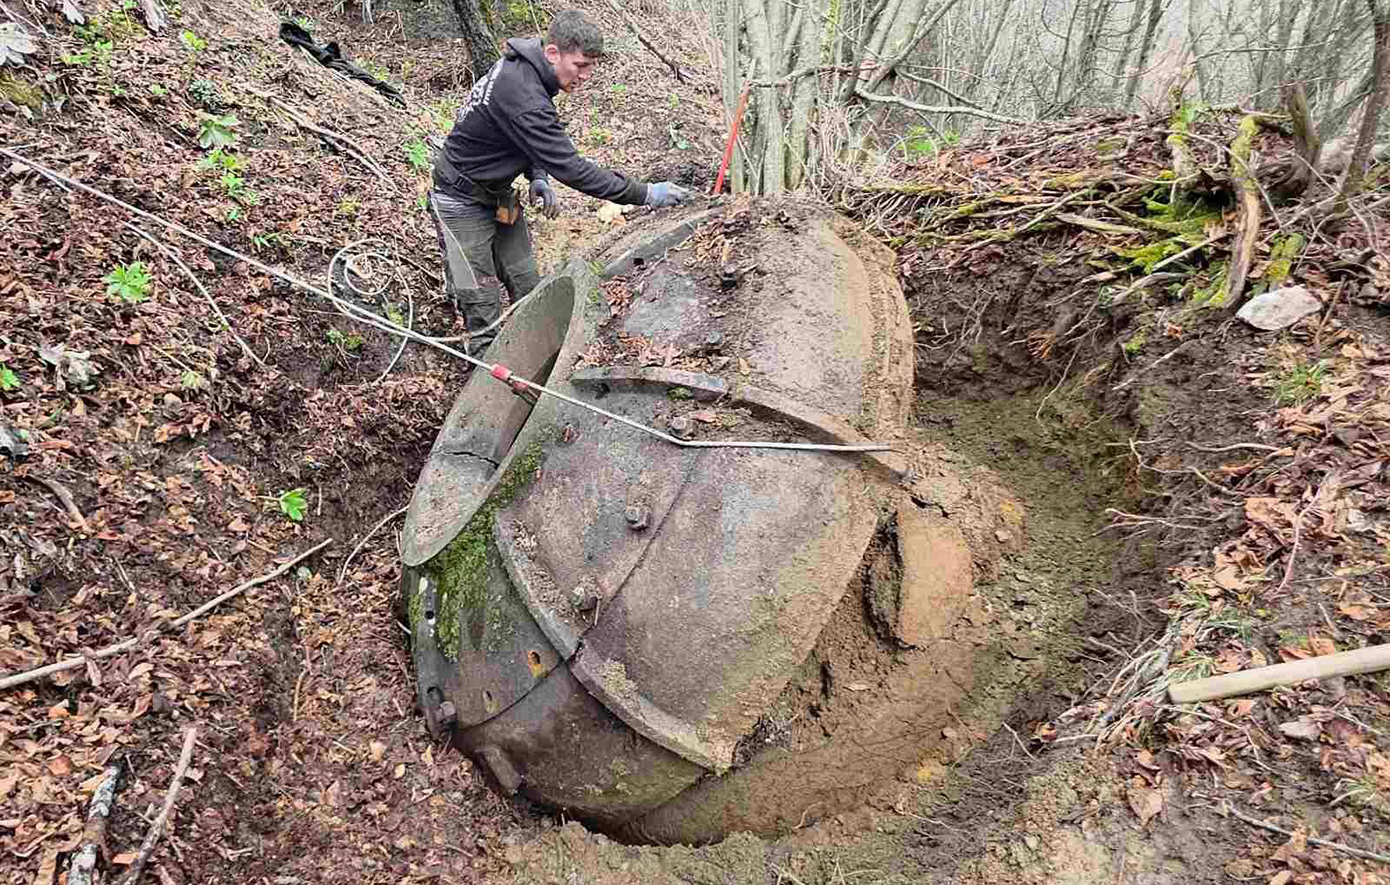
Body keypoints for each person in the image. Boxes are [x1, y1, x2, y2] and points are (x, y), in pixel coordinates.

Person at [430, 10, 691, 356]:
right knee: (480, 301)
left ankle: (536, 354)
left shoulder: (528, 69)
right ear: (553, 53)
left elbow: (521, 134)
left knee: (526, 281)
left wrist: (538, 175)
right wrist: (645, 193)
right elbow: (572, 169)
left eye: (591, 66)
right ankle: (486, 372)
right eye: (580, 65)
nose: (586, 75)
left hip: (497, 194)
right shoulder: (522, 91)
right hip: (458, 201)